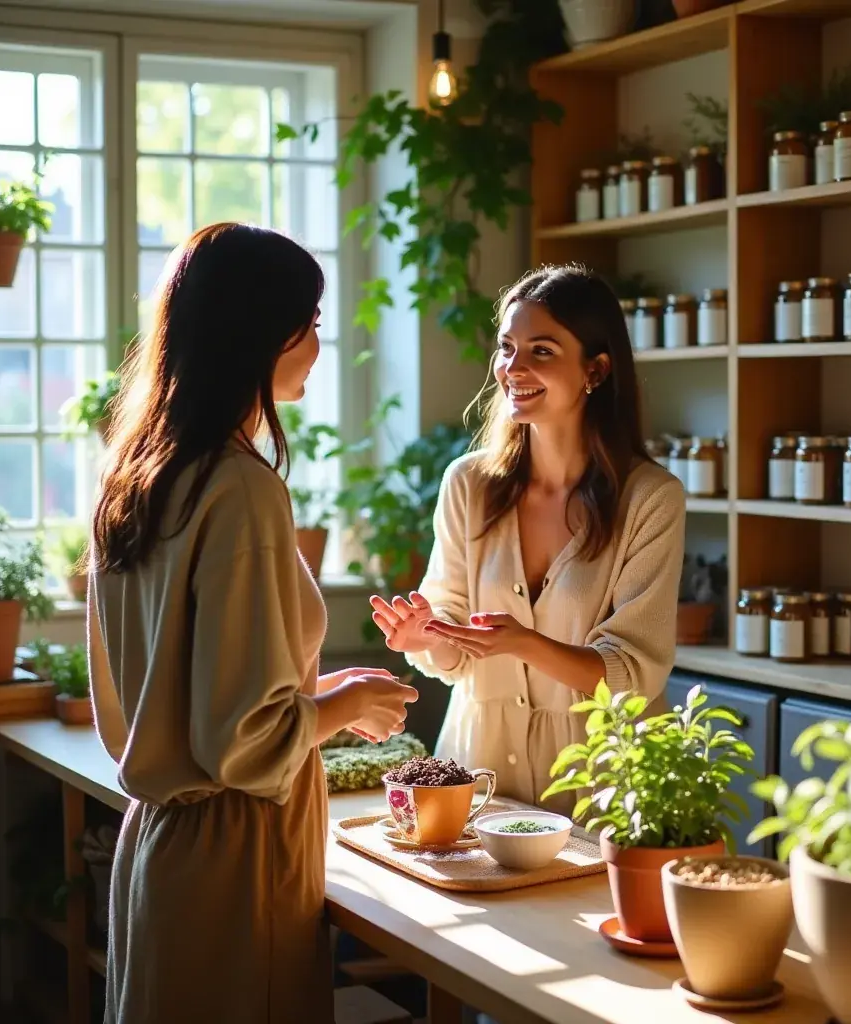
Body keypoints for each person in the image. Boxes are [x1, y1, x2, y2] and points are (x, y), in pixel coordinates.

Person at [86, 222, 418, 1024]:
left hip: (162, 850)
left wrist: (320, 690)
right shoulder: (241, 488)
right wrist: (341, 707)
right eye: (311, 323)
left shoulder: (139, 477)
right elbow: (241, 742)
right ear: (264, 335)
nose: (317, 346)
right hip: (237, 861)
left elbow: (182, 688)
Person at [369, 263, 685, 811]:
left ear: (596, 369)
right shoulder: (468, 484)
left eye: (542, 350)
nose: (513, 368)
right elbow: (455, 646)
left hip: (605, 784)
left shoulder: (650, 499)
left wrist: (523, 643)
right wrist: (426, 636)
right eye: (506, 347)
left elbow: (633, 673)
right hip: (481, 770)